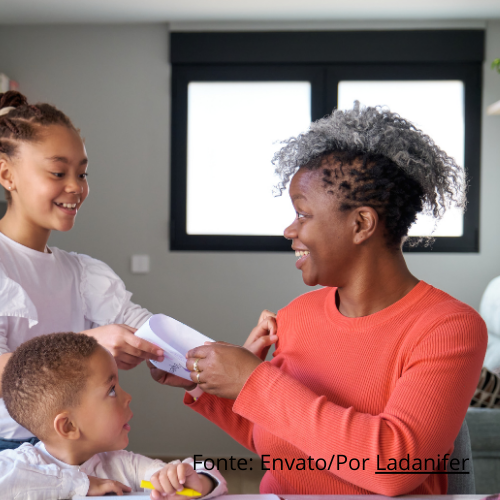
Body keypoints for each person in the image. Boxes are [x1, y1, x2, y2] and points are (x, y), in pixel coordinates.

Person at [150, 103, 487, 496]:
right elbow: (280, 440)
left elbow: (396, 465)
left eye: (302, 214)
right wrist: (209, 379)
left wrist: (253, 380)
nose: (289, 230)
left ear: (361, 224)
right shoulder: (299, 316)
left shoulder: (448, 328)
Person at [0, 91, 164, 500]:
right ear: (7, 175)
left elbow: (143, 326)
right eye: (58, 173)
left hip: (45, 462)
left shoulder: (79, 272)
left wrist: (216, 356)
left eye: (83, 173)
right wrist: (91, 341)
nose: (76, 187)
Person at [0, 332, 227, 500]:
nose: (128, 396)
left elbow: (198, 474)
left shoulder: (121, 466)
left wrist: (197, 481)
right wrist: (80, 484)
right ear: (68, 426)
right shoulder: (23, 467)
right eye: (112, 390)